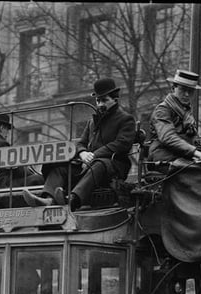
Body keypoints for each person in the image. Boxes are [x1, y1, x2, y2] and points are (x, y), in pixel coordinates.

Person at [23, 78, 136, 212]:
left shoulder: (125, 119)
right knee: (60, 167)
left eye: (104, 100)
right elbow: (81, 143)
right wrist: (82, 153)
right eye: (98, 101)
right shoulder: (92, 122)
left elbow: (122, 144)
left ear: (115, 100)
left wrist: (94, 155)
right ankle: (48, 199)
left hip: (115, 164)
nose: (100, 104)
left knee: (99, 165)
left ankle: (73, 200)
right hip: (89, 163)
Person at [146, 69, 201, 167]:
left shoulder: (186, 112)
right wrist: (199, 155)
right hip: (164, 159)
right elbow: (168, 137)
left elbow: (195, 140)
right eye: (183, 90)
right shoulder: (162, 110)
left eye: (191, 91)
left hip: (184, 158)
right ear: (173, 88)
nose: (187, 94)